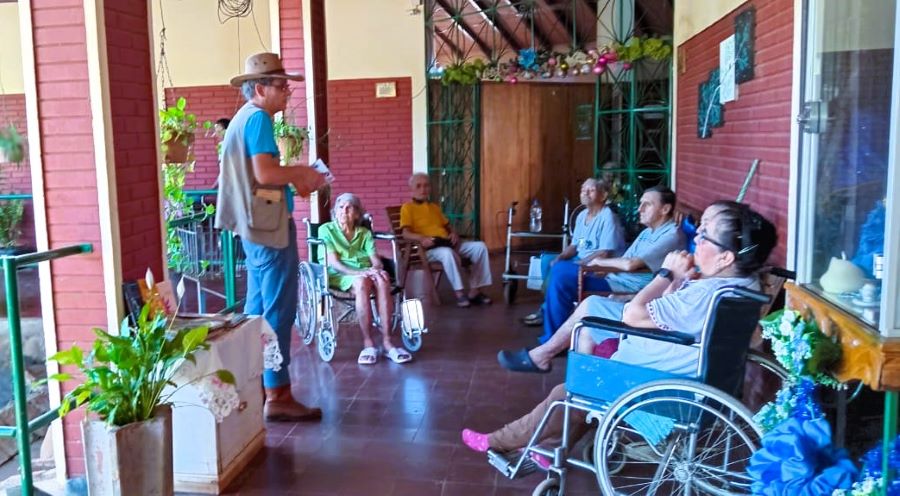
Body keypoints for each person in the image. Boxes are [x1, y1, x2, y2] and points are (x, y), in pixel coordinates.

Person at [463, 201, 777, 455]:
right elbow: (665, 315)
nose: (695, 236)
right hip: (701, 381)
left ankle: (498, 440)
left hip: (662, 386)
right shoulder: (741, 285)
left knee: (568, 390)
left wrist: (666, 274)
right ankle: (552, 448)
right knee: (590, 357)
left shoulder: (702, 295)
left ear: (725, 256)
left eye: (705, 233)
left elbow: (633, 316)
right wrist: (678, 281)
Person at [215, 52, 326, 422]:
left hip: (254, 229)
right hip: (267, 228)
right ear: (260, 88)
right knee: (278, 310)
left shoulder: (243, 119)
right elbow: (264, 173)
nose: (287, 92)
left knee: (256, 312)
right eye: (281, 86)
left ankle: (254, 385)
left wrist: (294, 175)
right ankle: (277, 393)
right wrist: (300, 173)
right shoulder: (259, 118)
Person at [526, 185, 685, 346]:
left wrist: (600, 263)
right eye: (641, 203)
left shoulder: (670, 236)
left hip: (629, 287)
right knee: (560, 271)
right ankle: (553, 333)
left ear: (665, 209)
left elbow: (631, 264)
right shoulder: (647, 232)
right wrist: (605, 270)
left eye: (647, 204)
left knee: (562, 273)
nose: (640, 209)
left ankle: (553, 337)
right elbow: (625, 259)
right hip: (615, 278)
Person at [317, 193, 413, 365]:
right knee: (361, 282)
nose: (344, 210)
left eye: (349, 207)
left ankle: (387, 342)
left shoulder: (364, 233)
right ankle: (368, 343)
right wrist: (358, 274)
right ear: (335, 211)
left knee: (383, 279)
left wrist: (376, 270)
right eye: (340, 207)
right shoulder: (326, 230)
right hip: (339, 274)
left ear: (357, 213)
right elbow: (334, 263)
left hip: (365, 271)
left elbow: (375, 259)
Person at [522, 178, 625, 326]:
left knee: (560, 269)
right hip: (580, 258)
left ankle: (546, 311)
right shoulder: (582, 215)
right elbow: (574, 245)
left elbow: (604, 253)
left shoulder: (608, 217)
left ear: (603, 196)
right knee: (547, 260)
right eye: (583, 190)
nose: (585, 193)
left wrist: (579, 263)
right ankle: (551, 307)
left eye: (591, 190)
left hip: (598, 265)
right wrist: (561, 256)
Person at [400, 172, 492, 307]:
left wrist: (454, 233)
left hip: (447, 243)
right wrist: (422, 238)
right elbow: (405, 233)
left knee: (480, 247)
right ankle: (459, 293)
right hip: (429, 249)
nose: (423, 189)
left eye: (426, 186)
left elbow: (448, 227)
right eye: (418, 186)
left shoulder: (434, 208)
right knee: (447, 253)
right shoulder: (407, 208)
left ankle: (475, 291)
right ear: (411, 189)